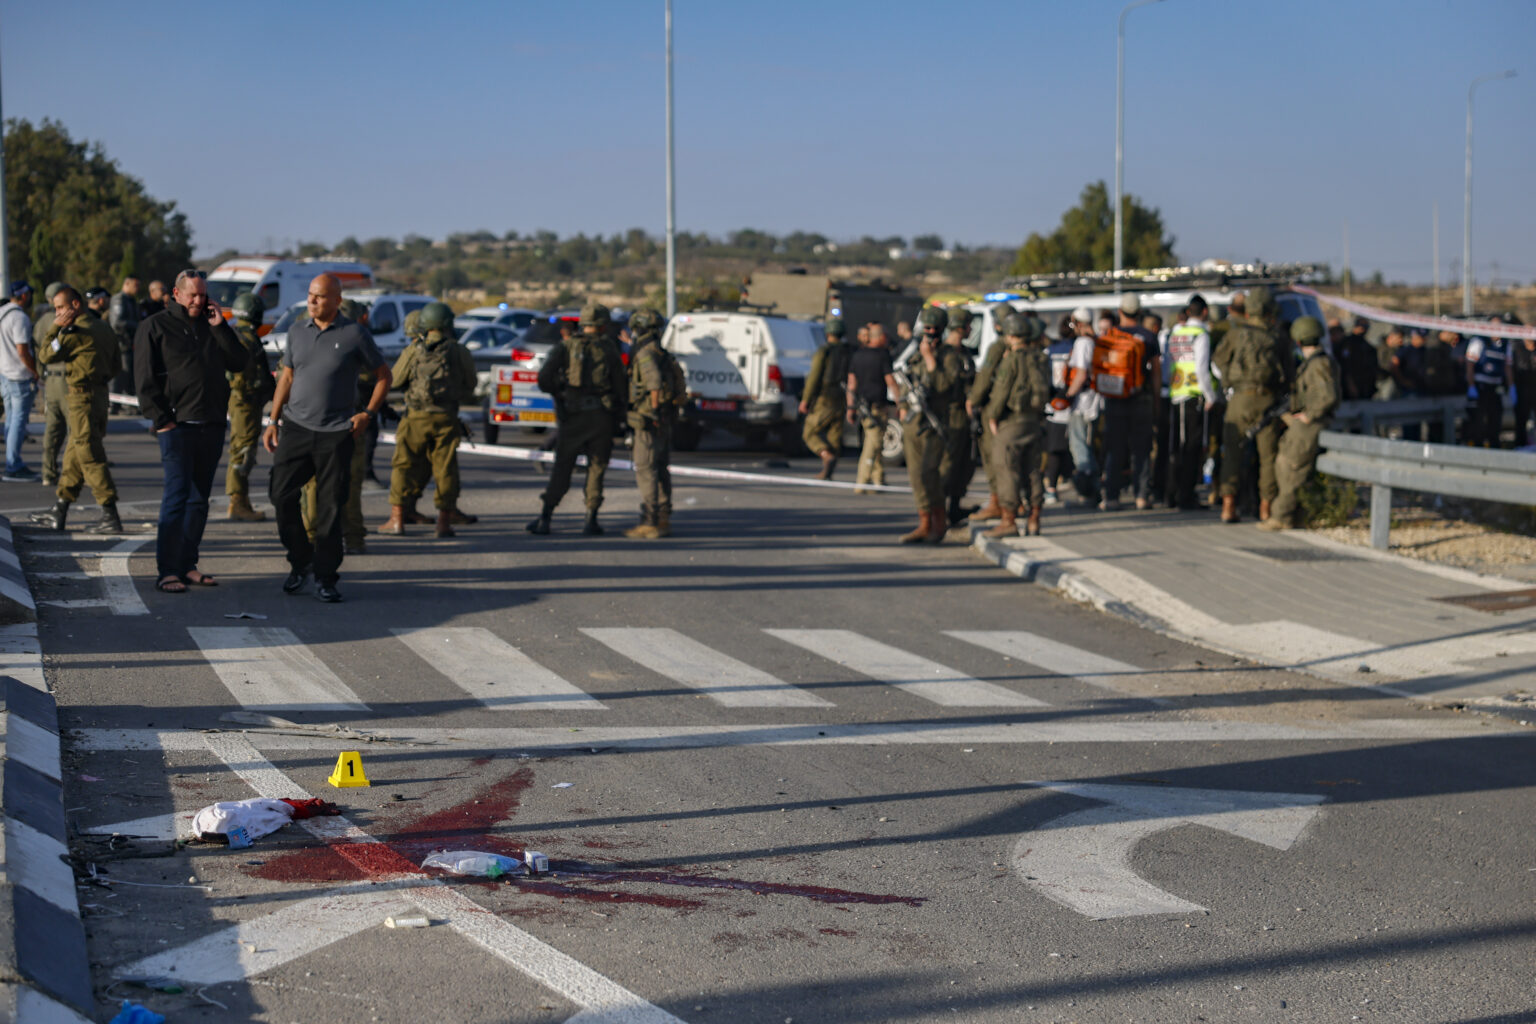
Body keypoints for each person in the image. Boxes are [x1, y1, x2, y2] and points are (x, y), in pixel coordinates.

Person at [262, 274, 390, 603]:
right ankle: (300, 559)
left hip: (336, 433)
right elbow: (287, 376)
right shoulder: (296, 332)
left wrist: (368, 414)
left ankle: (325, 576)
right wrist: (273, 419)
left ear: (336, 299)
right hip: (297, 429)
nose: (312, 302)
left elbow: (383, 376)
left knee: (330, 509)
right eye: (310, 295)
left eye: (319, 297)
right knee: (280, 495)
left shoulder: (354, 334)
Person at [131, 270, 251, 590]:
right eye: (193, 295)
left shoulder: (212, 326)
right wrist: (162, 421)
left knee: (199, 501)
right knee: (176, 497)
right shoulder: (154, 326)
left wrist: (220, 325)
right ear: (177, 294)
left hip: (210, 424)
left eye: (203, 295)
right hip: (176, 426)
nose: (199, 301)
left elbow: (240, 362)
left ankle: (187, 565)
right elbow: (143, 380)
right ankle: (167, 570)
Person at [379, 301, 477, 538]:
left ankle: (396, 519)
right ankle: (443, 523)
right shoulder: (459, 351)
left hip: (415, 417)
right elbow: (471, 386)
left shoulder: (414, 350)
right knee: (445, 469)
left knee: (403, 465)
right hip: (446, 418)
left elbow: (396, 380)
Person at [527, 302, 626, 535]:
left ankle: (546, 517)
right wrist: (620, 418)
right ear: (602, 326)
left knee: (562, 467)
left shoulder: (566, 347)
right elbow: (621, 387)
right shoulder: (609, 348)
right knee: (596, 468)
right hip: (601, 417)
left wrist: (561, 392)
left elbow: (544, 379)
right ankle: (591, 519)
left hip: (573, 417)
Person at [31, 286, 121, 534]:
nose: (58, 313)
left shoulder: (74, 332)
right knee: (74, 456)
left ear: (76, 306)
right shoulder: (103, 327)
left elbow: (46, 355)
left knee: (90, 456)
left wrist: (55, 328)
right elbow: (116, 365)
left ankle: (109, 513)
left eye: (61, 307)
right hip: (100, 396)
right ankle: (60, 509)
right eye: (55, 309)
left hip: (82, 399)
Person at [1213, 285, 1289, 523]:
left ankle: (1228, 506)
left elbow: (1218, 360)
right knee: (1268, 457)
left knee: (1232, 453)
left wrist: (1228, 381)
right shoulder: (1278, 336)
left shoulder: (1235, 333)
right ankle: (1266, 508)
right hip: (1267, 400)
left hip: (1239, 400)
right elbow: (1289, 374)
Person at [1259, 316, 1339, 531]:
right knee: (1284, 464)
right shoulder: (1316, 362)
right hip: (1306, 421)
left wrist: (1309, 415)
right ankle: (1295, 515)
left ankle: (1281, 515)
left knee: (1293, 468)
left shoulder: (1318, 364)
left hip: (1310, 424)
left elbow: (1327, 395)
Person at [983, 312, 1050, 537]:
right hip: (1034, 421)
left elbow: (1001, 390)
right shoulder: (1040, 359)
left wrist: (992, 416)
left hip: (1012, 421)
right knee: (1032, 470)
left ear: (1011, 334)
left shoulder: (1012, 359)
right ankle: (1035, 517)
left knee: (1006, 469)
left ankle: (1008, 520)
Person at [1097, 293, 1160, 511]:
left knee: (1115, 449)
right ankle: (1141, 496)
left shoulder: (1109, 335)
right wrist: (1156, 399)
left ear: (1120, 311)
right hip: (1140, 398)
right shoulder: (1148, 337)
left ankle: (1111, 497)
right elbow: (1156, 372)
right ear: (1140, 312)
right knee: (1141, 449)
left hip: (1114, 399)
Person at [897, 307, 953, 543]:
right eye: (926, 329)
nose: (930, 333)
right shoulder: (915, 354)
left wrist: (931, 359)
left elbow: (944, 386)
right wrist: (902, 406)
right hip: (913, 423)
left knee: (929, 474)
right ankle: (924, 523)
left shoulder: (950, 356)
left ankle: (939, 523)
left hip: (935, 422)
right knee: (915, 477)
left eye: (934, 329)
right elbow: (905, 382)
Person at [623, 307, 680, 538]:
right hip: (664, 418)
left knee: (646, 469)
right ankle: (663, 518)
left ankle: (650, 522)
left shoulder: (646, 354)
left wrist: (653, 412)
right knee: (660, 468)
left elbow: (654, 383)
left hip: (649, 419)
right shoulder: (659, 351)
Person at [1164, 295, 1217, 509]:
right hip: (1192, 395)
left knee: (1176, 447)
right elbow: (1202, 369)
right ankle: (1184, 497)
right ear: (1204, 312)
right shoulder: (1200, 335)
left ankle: (1172, 493)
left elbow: (1169, 364)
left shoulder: (1176, 332)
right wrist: (1211, 396)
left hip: (1176, 393)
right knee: (1190, 448)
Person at [224, 293, 274, 521]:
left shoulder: (238, 334)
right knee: (243, 451)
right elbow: (241, 376)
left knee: (244, 449)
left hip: (244, 400)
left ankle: (242, 500)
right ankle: (237, 502)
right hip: (245, 401)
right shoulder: (245, 338)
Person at [965, 304, 1015, 520]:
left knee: (991, 456)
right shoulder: (1023, 345)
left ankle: (997, 502)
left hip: (994, 409)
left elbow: (985, 376)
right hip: (1013, 410)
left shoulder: (997, 347)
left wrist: (973, 400)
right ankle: (1013, 502)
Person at [846, 321, 897, 494]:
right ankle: (862, 482)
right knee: (872, 445)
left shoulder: (858, 355)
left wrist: (850, 408)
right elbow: (890, 381)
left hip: (862, 406)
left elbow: (851, 384)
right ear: (881, 337)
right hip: (877, 407)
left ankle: (878, 480)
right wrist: (900, 402)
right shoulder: (883, 355)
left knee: (875, 442)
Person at [938, 307, 977, 524]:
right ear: (960, 328)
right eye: (969, 325)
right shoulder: (945, 353)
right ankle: (938, 511)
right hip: (950, 415)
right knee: (948, 464)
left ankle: (954, 508)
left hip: (965, 414)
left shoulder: (964, 353)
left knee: (964, 465)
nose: (971, 329)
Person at [799, 316, 850, 479]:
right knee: (834, 435)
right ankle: (828, 470)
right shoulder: (849, 351)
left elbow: (814, 376)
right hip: (842, 397)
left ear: (828, 333)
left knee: (809, 432)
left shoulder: (825, 351)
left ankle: (826, 457)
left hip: (825, 397)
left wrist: (805, 399)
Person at [1064, 306, 1102, 506]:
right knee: (1088, 446)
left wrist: (1068, 395)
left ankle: (1087, 494)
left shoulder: (1083, 342)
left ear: (1077, 323)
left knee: (1080, 447)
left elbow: (1080, 373)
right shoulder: (1097, 340)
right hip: (1096, 400)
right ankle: (1091, 490)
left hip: (1083, 403)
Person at [0, 283, 39, 481]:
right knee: (17, 421)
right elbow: (22, 350)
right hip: (19, 375)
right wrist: (35, 371)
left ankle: (11, 460)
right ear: (23, 296)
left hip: (5, 374)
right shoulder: (19, 317)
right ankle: (13, 465)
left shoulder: (2, 312)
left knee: (10, 420)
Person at [34, 282, 70, 486]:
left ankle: (48, 472)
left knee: (52, 429)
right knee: (75, 430)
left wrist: (41, 374)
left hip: (50, 380)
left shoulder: (42, 321)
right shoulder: (66, 319)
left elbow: (37, 348)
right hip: (68, 378)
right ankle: (72, 473)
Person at [1041, 315, 1075, 505]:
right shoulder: (1078, 348)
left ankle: (1052, 488)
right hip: (1074, 403)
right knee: (1070, 447)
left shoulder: (1051, 350)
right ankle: (1071, 484)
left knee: (1054, 450)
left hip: (1054, 404)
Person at [1464, 319, 1513, 447]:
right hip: (1480, 387)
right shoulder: (1479, 341)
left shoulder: (1505, 344)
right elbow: (1470, 364)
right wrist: (1471, 386)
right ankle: (1477, 449)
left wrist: (1511, 386)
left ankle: (1494, 449)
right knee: (1478, 423)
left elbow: (1507, 367)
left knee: (1495, 421)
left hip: (1495, 387)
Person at [109, 276, 143, 407]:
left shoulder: (131, 300)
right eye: (135, 285)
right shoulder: (119, 299)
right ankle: (116, 405)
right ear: (127, 284)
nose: (137, 289)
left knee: (130, 374)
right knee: (122, 374)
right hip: (121, 343)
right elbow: (117, 322)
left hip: (130, 343)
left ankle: (127, 404)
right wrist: (137, 325)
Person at [1335, 317, 1378, 402]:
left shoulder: (1367, 346)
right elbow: (1345, 366)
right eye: (1361, 326)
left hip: (1365, 388)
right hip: (1348, 389)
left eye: (1365, 327)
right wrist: (1350, 385)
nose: (1363, 329)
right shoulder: (1346, 343)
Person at [1512, 331, 1536, 448]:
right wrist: (1511, 387)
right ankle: (1520, 446)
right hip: (1522, 390)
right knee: (1521, 420)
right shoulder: (1517, 349)